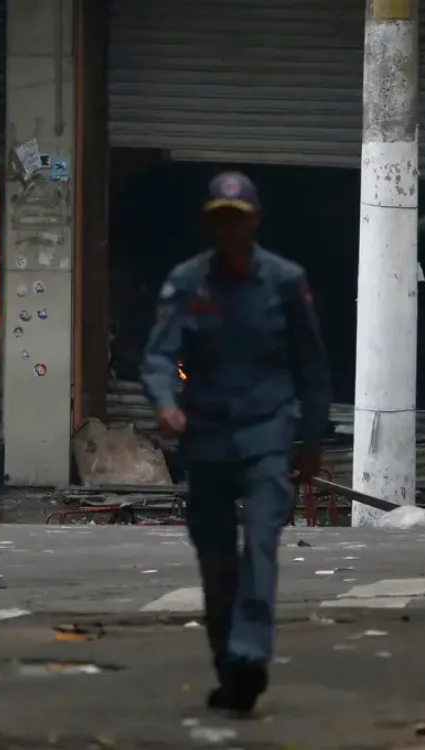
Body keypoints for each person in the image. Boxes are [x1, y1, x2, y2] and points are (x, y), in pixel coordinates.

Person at [140, 171, 332, 714]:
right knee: (217, 559)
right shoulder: (187, 283)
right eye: (219, 221)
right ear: (209, 224)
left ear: (255, 221)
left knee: (262, 542)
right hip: (206, 438)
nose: (229, 231)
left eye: (238, 220)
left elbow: (311, 365)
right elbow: (157, 355)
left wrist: (311, 439)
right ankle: (230, 666)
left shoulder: (286, 281)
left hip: (267, 434)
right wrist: (165, 403)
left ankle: (250, 651)